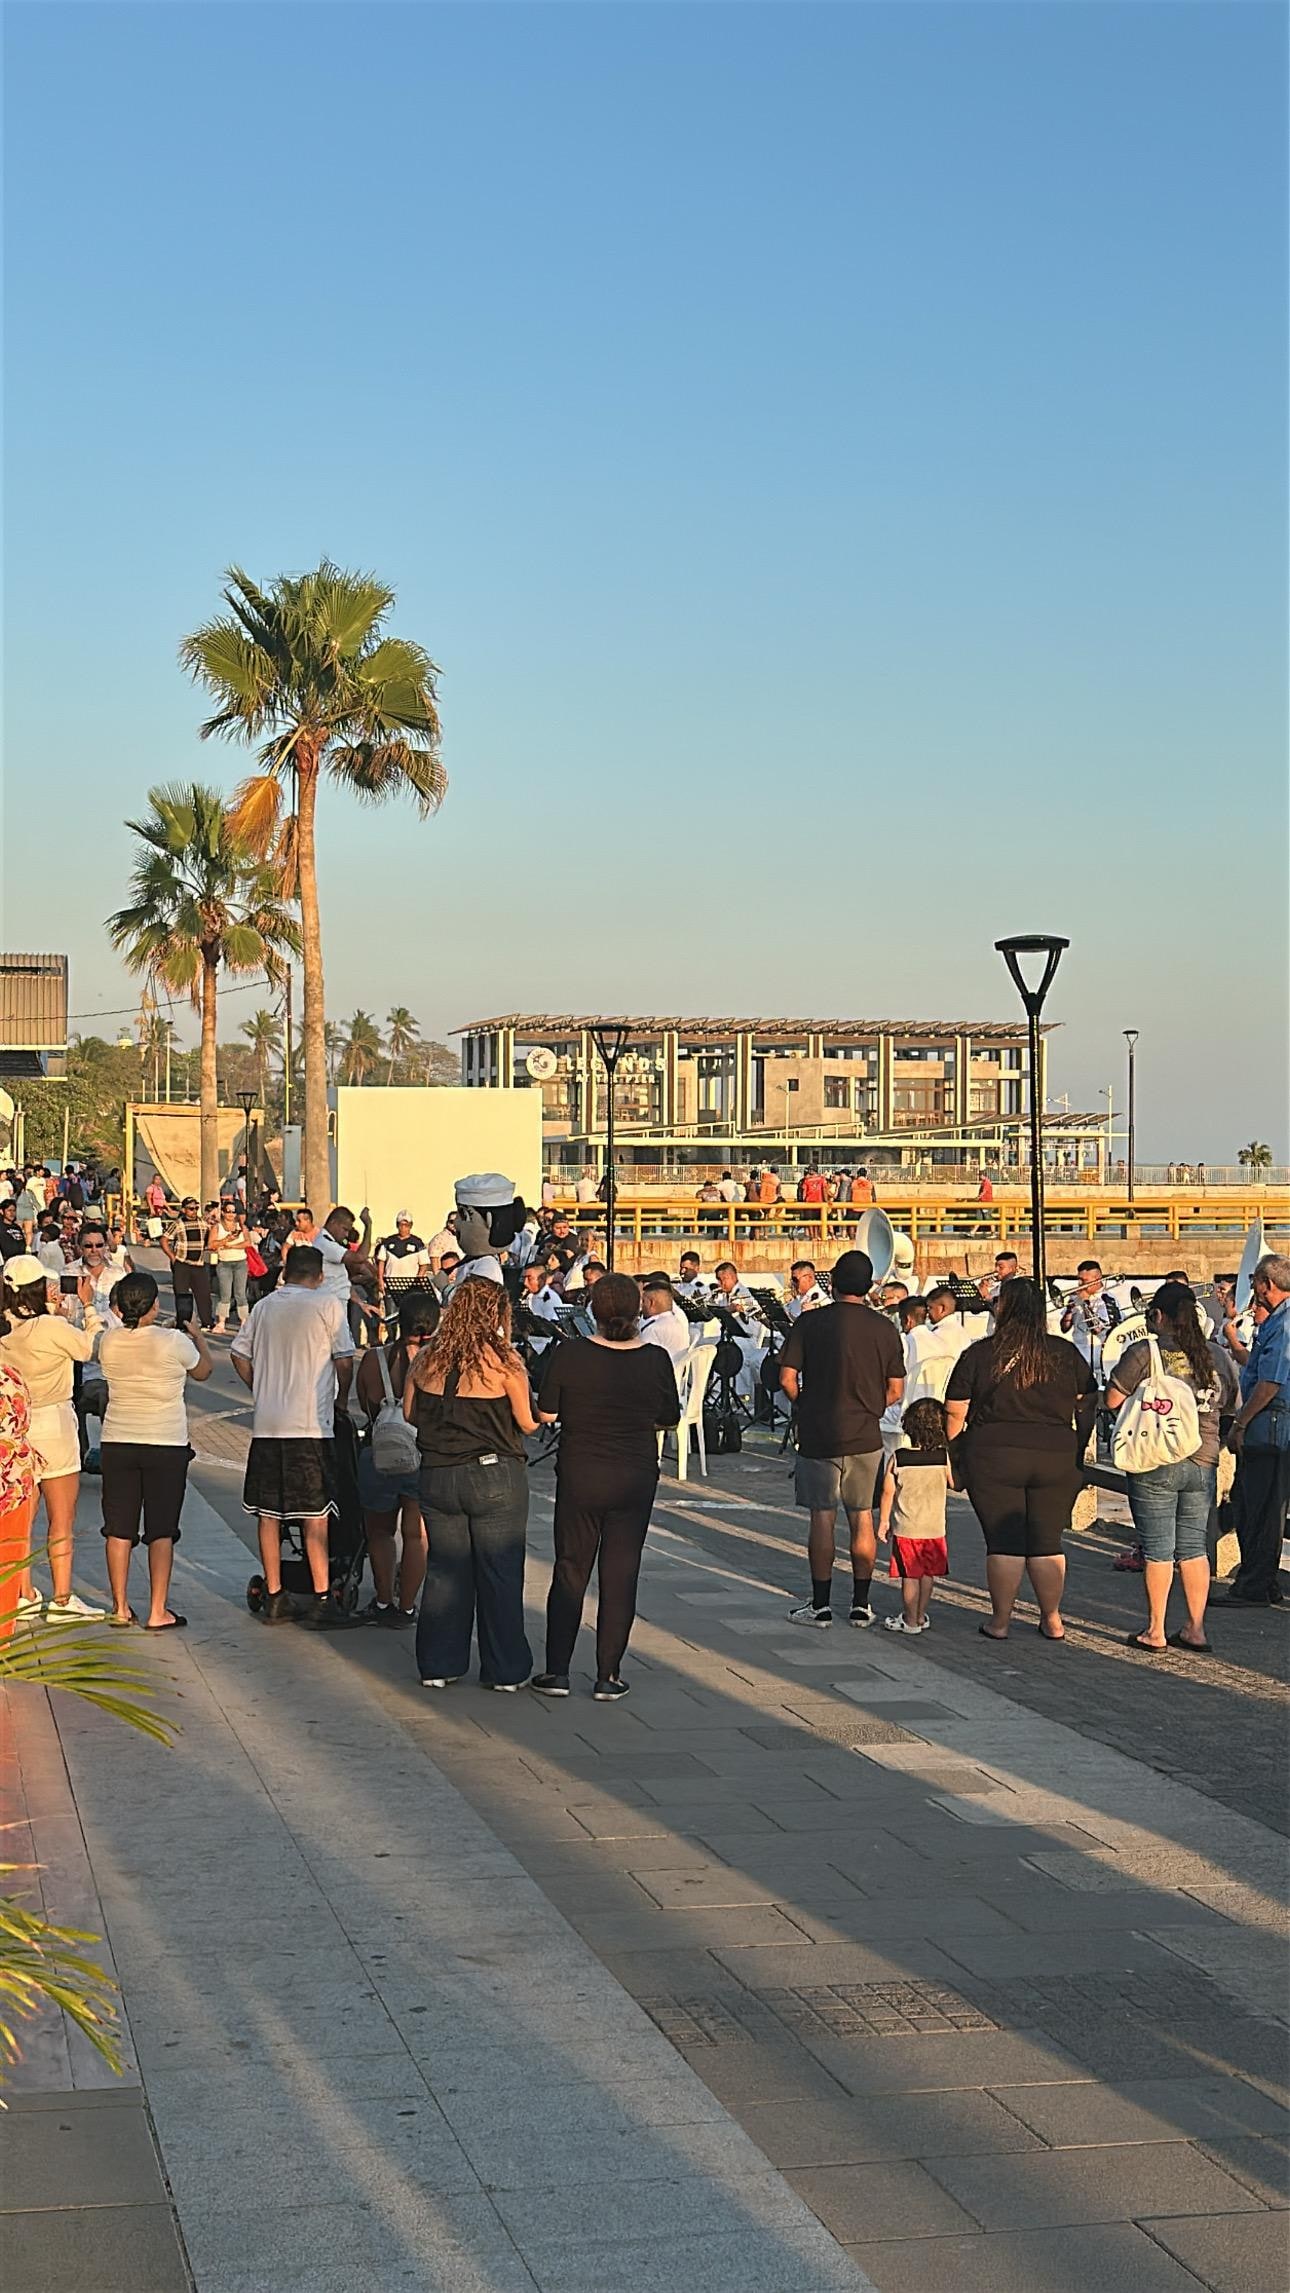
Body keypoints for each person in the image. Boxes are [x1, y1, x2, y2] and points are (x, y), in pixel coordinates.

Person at [533, 1272, 681, 1700]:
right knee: (620, 1574)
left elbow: (547, 1413)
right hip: (634, 1474)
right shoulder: (654, 1359)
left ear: (593, 1310)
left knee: (570, 1567)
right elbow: (668, 1416)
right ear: (638, 1311)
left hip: (581, 1472)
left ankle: (557, 1670)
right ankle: (608, 1674)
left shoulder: (571, 1354)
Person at [945, 1278, 1097, 1643]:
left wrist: (953, 1458)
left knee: (1004, 1541)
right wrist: (1078, 1441)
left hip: (993, 1454)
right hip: (1056, 1453)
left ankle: (1000, 1621)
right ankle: (1053, 1619)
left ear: (1004, 1309)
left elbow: (954, 1413)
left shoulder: (980, 1353)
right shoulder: (1063, 1352)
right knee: (1047, 1540)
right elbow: (1088, 1399)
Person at [404, 1278, 537, 1689]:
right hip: (494, 1473)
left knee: (446, 1570)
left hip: (438, 1475)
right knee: (498, 1571)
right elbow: (528, 1424)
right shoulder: (505, 1362)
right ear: (497, 1315)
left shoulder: (426, 1358)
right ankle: (504, 1670)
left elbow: (410, 1414)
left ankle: (439, 1664)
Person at [1105, 1281, 1238, 1653]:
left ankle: (1156, 1630)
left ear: (1158, 1316)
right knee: (1195, 1547)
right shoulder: (1217, 1355)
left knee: (1159, 1549)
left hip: (1155, 1459)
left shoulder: (1145, 1353)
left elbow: (1113, 1397)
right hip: (1203, 1459)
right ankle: (1196, 1628)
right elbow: (1229, 1408)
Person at [779, 1248, 905, 1628]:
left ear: (830, 1283)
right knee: (861, 1517)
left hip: (819, 1432)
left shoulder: (809, 1323)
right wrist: (870, 1408)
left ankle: (819, 1604)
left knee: (822, 1516)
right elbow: (896, 1389)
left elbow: (786, 1379)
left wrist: (807, 1405)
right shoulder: (885, 1328)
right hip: (864, 1433)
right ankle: (861, 1603)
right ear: (868, 1287)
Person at [230, 1245, 355, 1629]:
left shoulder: (265, 1306)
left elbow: (239, 1353)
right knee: (314, 1514)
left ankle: (275, 1593)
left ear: (286, 1272)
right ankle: (320, 1596)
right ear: (318, 1275)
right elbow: (344, 1360)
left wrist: (260, 1388)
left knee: (268, 1512)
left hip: (268, 1424)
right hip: (310, 1425)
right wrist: (341, 1398)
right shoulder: (328, 1304)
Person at [98, 1272, 212, 1630]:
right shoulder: (173, 1341)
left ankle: (120, 1606)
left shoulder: (109, 1340)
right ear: (153, 1304)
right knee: (161, 1529)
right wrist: (198, 1338)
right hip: (165, 1442)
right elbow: (204, 1371)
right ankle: (157, 1610)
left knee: (118, 1527)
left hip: (118, 1440)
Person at [0, 1256, 105, 1620]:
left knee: (22, 1520)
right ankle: (61, 1599)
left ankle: (23, 1592)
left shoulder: (5, 1329)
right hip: (56, 1424)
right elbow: (91, 1347)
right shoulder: (49, 1327)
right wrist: (89, 1306)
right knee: (61, 1519)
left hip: (16, 1428)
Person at [354, 1291, 439, 1625]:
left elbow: (365, 1404)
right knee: (416, 1535)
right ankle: (406, 1607)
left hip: (381, 1453)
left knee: (380, 1533)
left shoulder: (374, 1359)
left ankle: (384, 1599)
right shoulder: (440, 1362)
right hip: (424, 1455)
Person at [1221, 1253, 1290, 1607]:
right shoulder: (1274, 1322)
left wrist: (1241, 1422)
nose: (1254, 1291)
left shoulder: (1285, 1324)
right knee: (1250, 1502)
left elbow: (1271, 1382)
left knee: (1261, 1507)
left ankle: (1255, 1584)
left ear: (1267, 1284)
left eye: (1255, 1283)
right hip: (1268, 1420)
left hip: (1273, 1423)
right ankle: (1262, 1581)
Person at [878, 1397, 952, 1635]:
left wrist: (883, 1522)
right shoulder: (943, 1457)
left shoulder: (899, 1457)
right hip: (935, 1527)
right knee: (928, 1574)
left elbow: (888, 1492)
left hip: (907, 1527)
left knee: (910, 1575)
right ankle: (920, 1615)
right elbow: (953, 1482)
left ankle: (909, 1621)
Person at [903, 1283, 971, 1405]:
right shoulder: (961, 1332)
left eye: (930, 1308)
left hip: (929, 1396)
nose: (927, 1315)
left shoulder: (939, 1335)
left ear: (942, 1308)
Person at [1059, 1260, 1121, 1373]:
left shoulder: (1108, 1299)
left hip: (1097, 1357)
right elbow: (1064, 1328)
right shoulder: (1076, 1297)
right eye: (1079, 1280)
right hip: (1077, 1354)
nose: (1080, 1284)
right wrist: (1069, 1310)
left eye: (1084, 1280)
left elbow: (1097, 1329)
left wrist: (1085, 1303)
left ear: (1097, 1279)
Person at [162, 1199, 214, 1332]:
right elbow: (164, 1239)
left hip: (199, 1263)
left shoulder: (203, 1223)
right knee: (182, 1294)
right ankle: (183, 1323)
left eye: (196, 1208)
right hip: (182, 1263)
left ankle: (207, 1322)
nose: (194, 1211)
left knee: (203, 1294)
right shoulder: (178, 1224)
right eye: (191, 1208)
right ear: (184, 1210)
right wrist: (172, 1257)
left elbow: (211, 1237)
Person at [207, 1198, 250, 1333]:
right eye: (228, 1211)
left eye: (233, 1212)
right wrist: (225, 1240)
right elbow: (211, 1244)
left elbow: (247, 1243)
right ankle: (221, 1322)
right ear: (223, 1213)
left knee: (240, 1293)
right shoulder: (217, 1227)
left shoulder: (241, 1227)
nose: (231, 1214)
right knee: (225, 1294)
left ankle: (244, 1321)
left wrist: (230, 1245)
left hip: (240, 1262)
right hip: (224, 1263)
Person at [376, 1212, 430, 1311]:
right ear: (397, 1225)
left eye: (407, 1225)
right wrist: (380, 1280)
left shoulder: (418, 1243)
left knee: (408, 1316)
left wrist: (417, 1281)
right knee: (391, 1317)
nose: (404, 1228)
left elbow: (424, 1264)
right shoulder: (388, 1242)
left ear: (411, 1226)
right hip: (391, 1286)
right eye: (401, 1225)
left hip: (409, 1287)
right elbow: (381, 1261)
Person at [639, 1275, 691, 1370]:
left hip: (659, 1379)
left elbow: (644, 1363)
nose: (641, 1305)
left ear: (651, 1303)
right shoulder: (676, 1321)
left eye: (643, 1301)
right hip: (675, 1375)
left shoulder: (654, 1329)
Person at [0, 1199, 26, 1266]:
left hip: (20, 1262)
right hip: (7, 1262)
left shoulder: (17, 1227)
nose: (12, 1213)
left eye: (14, 1211)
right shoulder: (1, 1227)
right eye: (9, 1210)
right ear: (2, 1211)